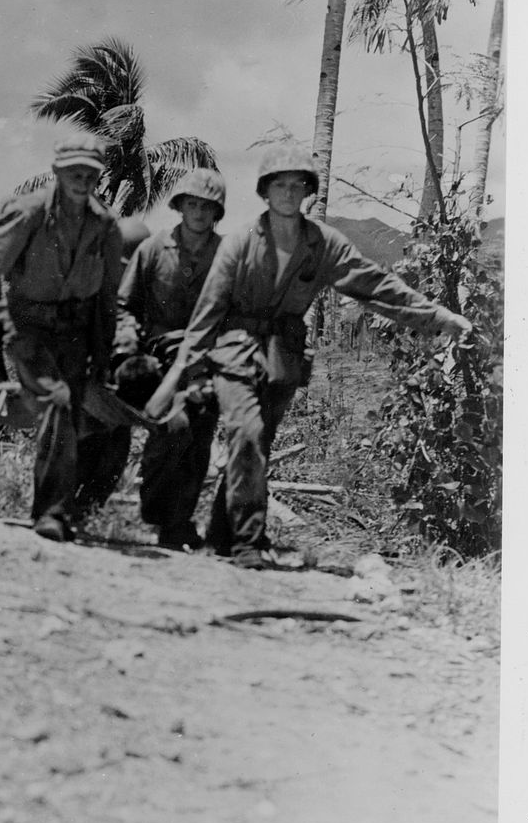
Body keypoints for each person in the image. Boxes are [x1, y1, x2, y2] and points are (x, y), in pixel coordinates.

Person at [145, 142, 473, 569]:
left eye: (296, 185)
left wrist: (439, 317)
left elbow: (375, 286)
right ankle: (248, 542)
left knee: (256, 442)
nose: (287, 192)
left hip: (284, 357)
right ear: (265, 191)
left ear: (307, 192)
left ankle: (224, 537)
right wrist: (173, 382)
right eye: (278, 185)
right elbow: (206, 317)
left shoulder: (323, 244)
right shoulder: (240, 242)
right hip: (234, 352)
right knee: (245, 433)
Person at [0, 137, 124, 543]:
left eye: (90, 173)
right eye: (74, 172)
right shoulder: (28, 213)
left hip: (76, 333)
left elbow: (108, 295)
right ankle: (51, 513)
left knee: (72, 416)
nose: (82, 180)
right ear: (57, 173)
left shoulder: (105, 225)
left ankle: (69, 509)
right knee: (57, 403)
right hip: (28, 327)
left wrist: (105, 351)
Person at [115, 167, 227, 550]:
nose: (198, 213)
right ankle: (158, 514)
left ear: (217, 212)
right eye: (191, 204)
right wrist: (129, 347)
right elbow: (126, 305)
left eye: (206, 207)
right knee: (170, 431)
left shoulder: (227, 255)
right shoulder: (153, 249)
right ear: (179, 207)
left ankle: (177, 523)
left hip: (206, 362)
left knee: (199, 443)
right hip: (160, 359)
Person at [72, 215, 151, 518]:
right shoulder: (88, 291)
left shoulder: (141, 303)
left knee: (113, 454)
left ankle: (84, 513)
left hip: (115, 400)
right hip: (83, 390)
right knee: (82, 447)